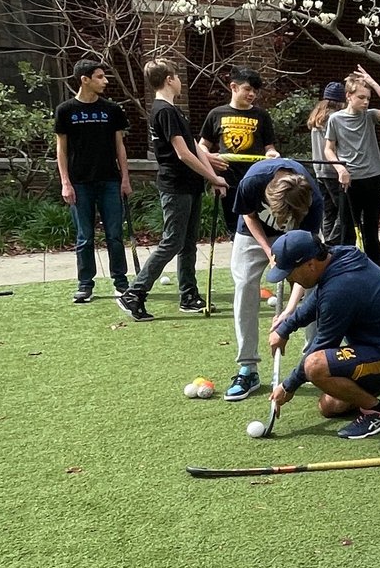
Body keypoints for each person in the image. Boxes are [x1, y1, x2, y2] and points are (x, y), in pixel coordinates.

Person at [265, 229, 380, 439]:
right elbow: (317, 298)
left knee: (315, 366)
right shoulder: (337, 256)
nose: (289, 279)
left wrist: (288, 386)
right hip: (376, 349)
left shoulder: (341, 289)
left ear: (310, 264)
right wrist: (285, 328)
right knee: (330, 406)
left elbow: (322, 346)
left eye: (289, 273)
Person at [117, 59, 227, 322]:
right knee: (173, 241)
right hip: (176, 185)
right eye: (177, 76)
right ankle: (134, 292)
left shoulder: (173, 111)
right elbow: (182, 154)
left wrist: (209, 159)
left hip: (189, 185)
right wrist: (214, 177)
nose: (180, 81)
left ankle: (188, 295)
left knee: (188, 243)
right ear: (169, 79)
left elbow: (192, 147)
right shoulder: (164, 111)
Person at [223, 157, 323, 401]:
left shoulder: (313, 201)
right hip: (253, 233)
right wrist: (269, 250)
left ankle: (315, 360)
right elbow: (248, 215)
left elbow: (306, 271)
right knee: (245, 284)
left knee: (315, 288)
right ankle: (248, 368)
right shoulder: (252, 181)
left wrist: (289, 310)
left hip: (296, 236)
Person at [55, 59, 133, 304]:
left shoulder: (112, 110)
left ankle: (121, 282)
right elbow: (61, 149)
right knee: (85, 236)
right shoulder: (65, 110)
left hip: (110, 180)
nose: (106, 81)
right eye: (100, 77)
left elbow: (119, 146)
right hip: (79, 183)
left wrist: (125, 179)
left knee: (114, 235)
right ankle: (85, 284)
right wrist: (65, 182)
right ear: (84, 80)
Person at [323, 66, 380, 266]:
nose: (365, 102)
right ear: (349, 96)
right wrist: (341, 169)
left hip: (372, 178)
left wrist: (373, 83)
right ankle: (346, 269)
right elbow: (328, 149)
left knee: (371, 230)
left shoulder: (370, 115)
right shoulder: (335, 119)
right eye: (361, 97)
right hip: (349, 181)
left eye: (368, 98)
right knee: (346, 230)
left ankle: (375, 272)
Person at [198, 65, 280, 231]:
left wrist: (272, 154)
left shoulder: (262, 116)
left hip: (256, 179)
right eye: (247, 89)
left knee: (260, 223)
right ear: (233, 87)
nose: (252, 94)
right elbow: (202, 146)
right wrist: (209, 159)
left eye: (255, 91)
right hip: (229, 180)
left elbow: (269, 147)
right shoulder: (216, 114)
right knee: (234, 226)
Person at [308, 81, 346, 244]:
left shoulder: (316, 118)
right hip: (334, 170)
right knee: (343, 210)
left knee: (328, 210)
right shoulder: (334, 118)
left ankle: (326, 242)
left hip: (319, 170)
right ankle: (333, 241)